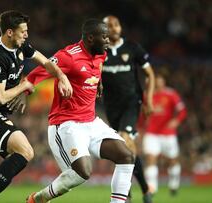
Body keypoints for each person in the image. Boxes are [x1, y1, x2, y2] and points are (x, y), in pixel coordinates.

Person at [25, 19, 135, 203]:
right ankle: (39, 198)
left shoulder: (100, 54)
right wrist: (25, 89)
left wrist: (98, 81)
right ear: (91, 38)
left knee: (126, 155)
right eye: (104, 36)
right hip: (67, 124)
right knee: (83, 173)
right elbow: (41, 69)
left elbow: (96, 67)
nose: (108, 40)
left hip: (91, 122)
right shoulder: (69, 56)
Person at [0, 10, 72, 203]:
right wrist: (24, 86)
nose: (26, 35)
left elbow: (46, 63)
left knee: (21, 155)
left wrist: (62, 76)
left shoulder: (21, 46)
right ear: (9, 32)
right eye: (22, 31)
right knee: (25, 151)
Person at [101, 15, 155, 203]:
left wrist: (148, 99)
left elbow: (149, 73)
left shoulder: (132, 48)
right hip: (111, 107)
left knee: (124, 140)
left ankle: (127, 192)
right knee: (123, 149)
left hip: (132, 103)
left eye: (116, 24)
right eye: (109, 26)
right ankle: (145, 189)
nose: (114, 28)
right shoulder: (100, 51)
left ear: (120, 27)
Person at [138, 72, 187, 196]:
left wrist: (176, 121)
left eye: (160, 81)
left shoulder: (171, 94)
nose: (158, 84)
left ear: (164, 82)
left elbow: (182, 111)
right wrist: (140, 128)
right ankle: (152, 188)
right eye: (156, 81)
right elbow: (142, 115)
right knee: (150, 159)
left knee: (173, 160)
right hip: (151, 133)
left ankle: (174, 184)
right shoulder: (146, 96)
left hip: (168, 133)